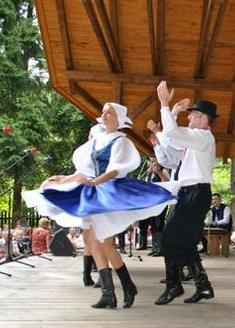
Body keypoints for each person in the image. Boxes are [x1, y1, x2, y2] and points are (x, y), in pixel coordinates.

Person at [23, 102, 176, 308]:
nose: (103, 115)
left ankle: (126, 285)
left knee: (106, 244)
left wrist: (95, 182)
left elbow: (114, 170)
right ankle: (109, 293)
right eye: (103, 112)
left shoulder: (121, 141)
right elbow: (85, 171)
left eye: (108, 113)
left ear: (118, 119)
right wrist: (63, 179)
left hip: (107, 193)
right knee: (90, 242)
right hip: (92, 192)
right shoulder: (97, 141)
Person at [150, 81, 217, 305]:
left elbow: (172, 131)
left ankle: (174, 286)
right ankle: (203, 286)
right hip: (192, 194)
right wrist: (175, 110)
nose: (190, 118)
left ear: (204, 118)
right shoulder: (196, 141)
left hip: (195, 194)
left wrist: (164, 104)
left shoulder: (203, 137)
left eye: (193, 115)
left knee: (169, 239)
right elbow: (170, 142)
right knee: (187, 243)